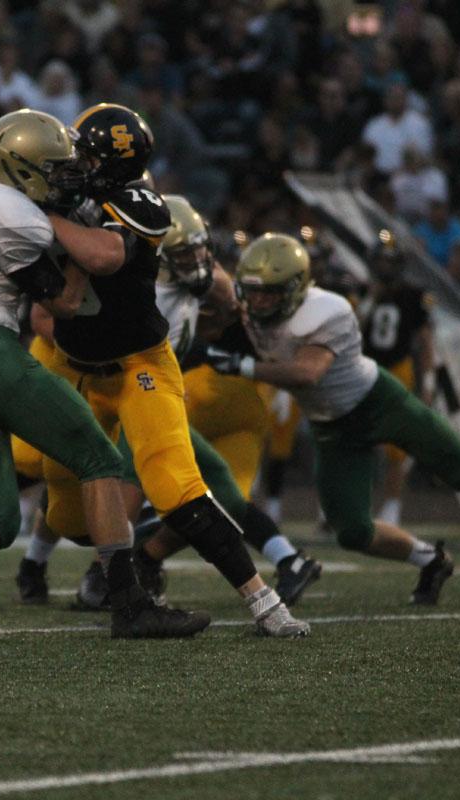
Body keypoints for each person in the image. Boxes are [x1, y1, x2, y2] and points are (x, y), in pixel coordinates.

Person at [0, 110, 211, 639]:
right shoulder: (17, 220)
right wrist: (79, 231)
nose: (64, 178)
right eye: (52, 170)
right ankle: (128, 605)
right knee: (99, 459)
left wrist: (42, 135)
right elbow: (69, 302)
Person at [34, 104, 309, 637]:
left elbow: (105, 256)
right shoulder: (69, 196)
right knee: (64, 515)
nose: (76, 162)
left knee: (176, 486)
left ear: (114, 164)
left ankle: (266, 603)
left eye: (87, 155)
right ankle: (103, 577)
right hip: (78, 370)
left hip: (141, 366)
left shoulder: (142, 203)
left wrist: (46, 218)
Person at [206, 233, 460, 605]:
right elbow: (214, 291)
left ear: (295, 288)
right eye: (251, 289)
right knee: (352, 532)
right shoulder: (248, 308)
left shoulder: (327, 310)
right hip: (332, 424)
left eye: (267, 291)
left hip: (379, 402)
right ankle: (431, 560)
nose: (256, 299)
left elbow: (308, 373)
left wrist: (244, 366)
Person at [359, 231, 436, 525]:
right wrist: (369, 301)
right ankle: (356, 504)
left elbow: (426, 341)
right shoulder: (364, 291)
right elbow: (350, 328)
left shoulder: (414, 296)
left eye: (390, 262)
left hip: (398, 370)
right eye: (381, 261)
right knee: (356, 440)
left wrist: (427, 382)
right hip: (364, 369)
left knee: (397, 444)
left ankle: (392, 507)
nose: (385, 267)